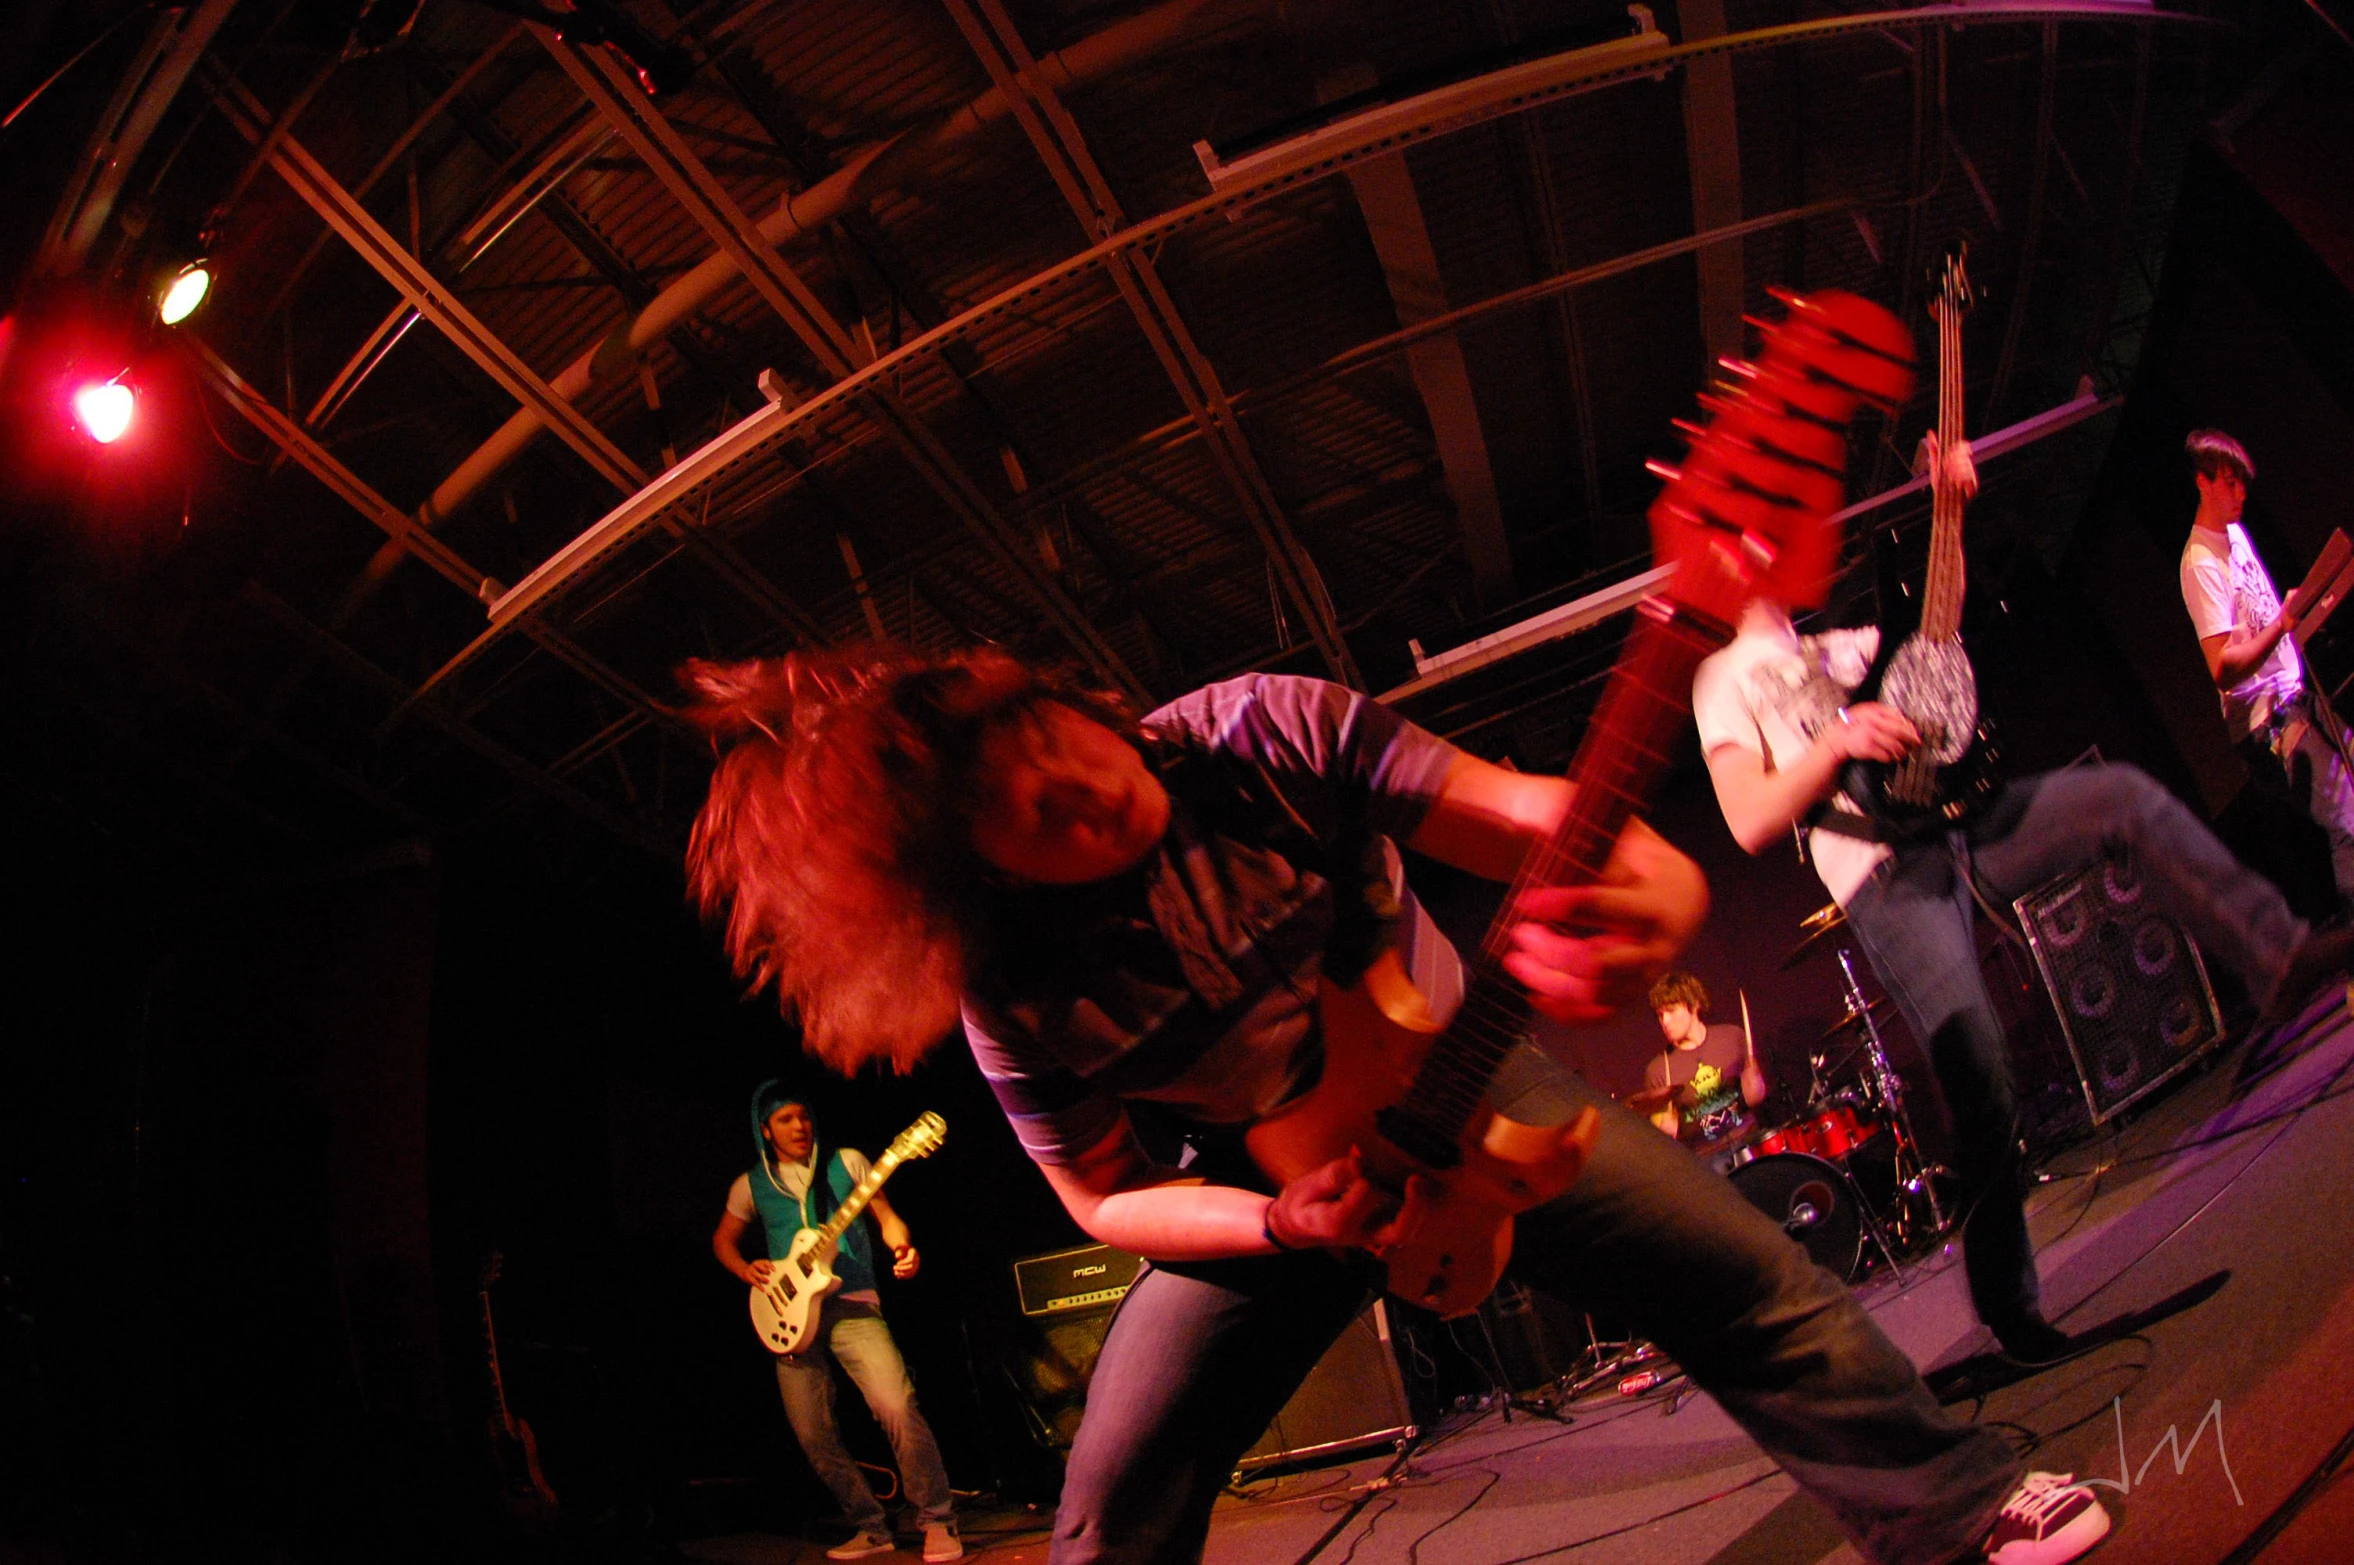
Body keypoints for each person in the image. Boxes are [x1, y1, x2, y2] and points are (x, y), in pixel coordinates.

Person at [684, 645, 2119, 1565]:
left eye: (1065, 742)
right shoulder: (1017, 994)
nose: (1090, 790)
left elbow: (1527, 815)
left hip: (1467, 1077)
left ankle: (1950, 1509)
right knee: (1114, 1494)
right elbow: (1098, 1198)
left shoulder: (1260, 727)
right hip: (1289, 1190)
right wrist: (1275, 1219)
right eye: (1042, 817)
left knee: (1743, 1273)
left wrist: (1653, 888)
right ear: (986, 884)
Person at [1694, 437, 2354, 1372]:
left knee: (2121, 796)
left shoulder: (1831, 641)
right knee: (1984, 1074)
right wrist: (1837, 741)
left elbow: (1939, 627)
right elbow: (1751, 819)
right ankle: (2013, 1313)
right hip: (1883, 875)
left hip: (1966, 820)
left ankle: (2277, 957)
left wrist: (1950, 511)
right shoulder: (1720, 678)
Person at [713, 1082, 961, 1563]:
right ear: (766, 1130)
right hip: (788, 1318)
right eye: (786, 1119)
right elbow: (723, 1241)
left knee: (897, 1405)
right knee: (812, 1434)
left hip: (852, 1303)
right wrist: (746, 1269)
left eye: (803, 1116)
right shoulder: (750, 1185)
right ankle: (870, 1526)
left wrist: (901, 1248)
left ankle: (938, 1519)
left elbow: (886, 1215)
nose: (800, 1126)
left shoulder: (846, 1162)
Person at [2177, 427, 2354, 906]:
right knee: (2347, 820)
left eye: (2242, 483)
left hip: (2293, 695)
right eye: (2230, 482)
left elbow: (2261, 621)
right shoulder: (2199, 564)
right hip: (2266, 721)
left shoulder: (2236, 535)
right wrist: (2283, 623)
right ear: (2203, 482)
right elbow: (2222, 668)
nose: (2240, 494)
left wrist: (2300, 617)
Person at [1642, 970, 1767, 1165]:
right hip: (1706, 1160)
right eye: (1660, 1015)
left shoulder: (1732, 1036)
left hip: (1748, 1139)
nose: (1664, 1022)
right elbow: (1665, 1133)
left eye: (1671, 1011)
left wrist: (1756, 1085)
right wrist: (1664, 1128)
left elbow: (1755, 1097)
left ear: (1694, 1005)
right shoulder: (1658, 1070)